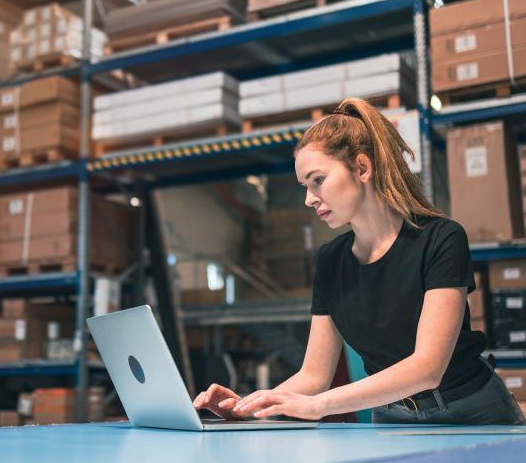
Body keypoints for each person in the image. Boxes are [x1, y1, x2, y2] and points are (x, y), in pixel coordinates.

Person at [193, 98, 526, 425]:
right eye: (304, 186)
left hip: (472, 411)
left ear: (362, 168)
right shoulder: (329, 261)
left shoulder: (441, 239)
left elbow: (428, 368)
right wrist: (249, 407)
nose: (309, 199)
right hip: (392, 415)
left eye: (318, 180)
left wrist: (320, 405)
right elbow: (313, 375)